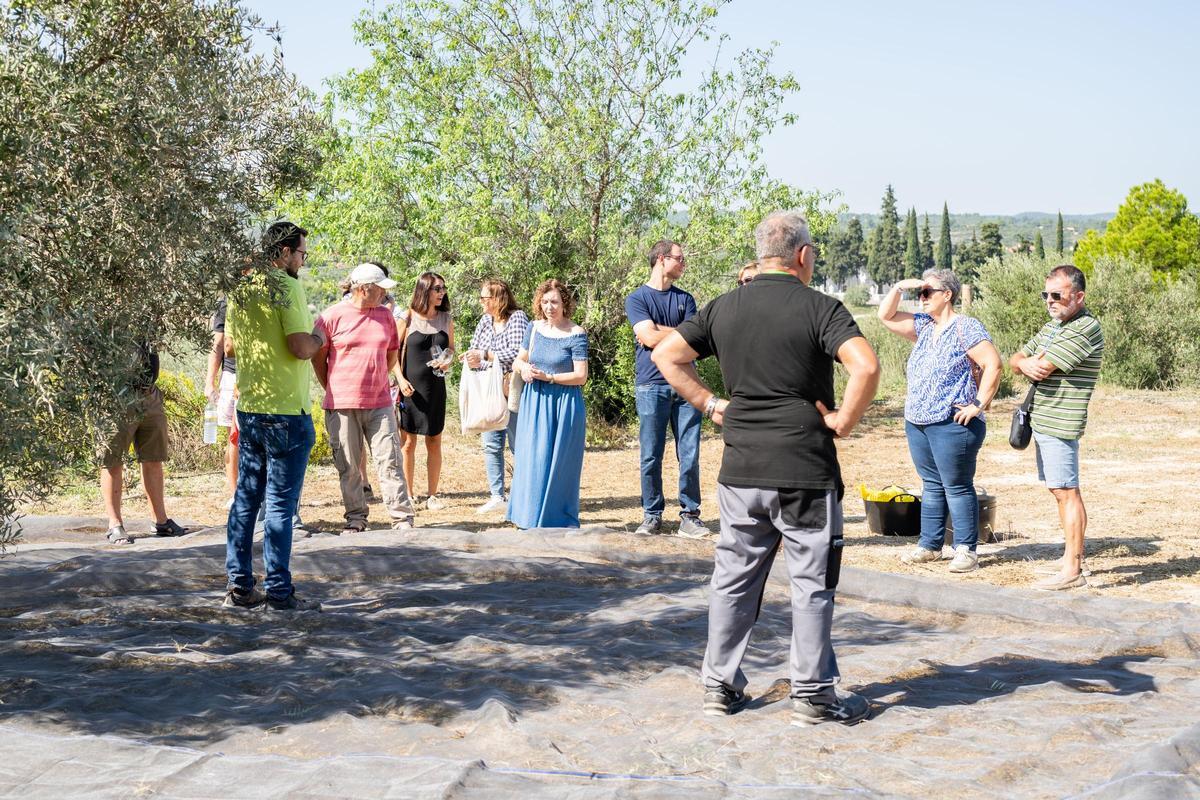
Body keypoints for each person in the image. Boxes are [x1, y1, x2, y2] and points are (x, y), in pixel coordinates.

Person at [652, 210, 880, 726]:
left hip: (741, 470)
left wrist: (710, 404)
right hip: (804, 468)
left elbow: (667, 355)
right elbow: (865, 365)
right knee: (811, 584)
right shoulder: (821, 308)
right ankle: (814, 697)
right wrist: (843, 419)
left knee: (733, 581)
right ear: (802, 255)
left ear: (761, 255)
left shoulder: (722, 308)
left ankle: (719, 686)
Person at [223, 221, 326, 612]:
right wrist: (320, 337)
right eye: (302, 253)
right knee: (281, 505)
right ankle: (280, 593)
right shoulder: (287, 287)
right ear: (283, 252)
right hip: (286, 410)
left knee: (245, 500)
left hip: (250, 408)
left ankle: (239, 587)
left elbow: (229, 347)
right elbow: (300, 347)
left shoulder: (241, 289)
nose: (303, 260)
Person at [877, 270, 1003, 573]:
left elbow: (993, 364)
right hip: (918, 421)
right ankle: (930, 546)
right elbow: (886, 316)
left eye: (927, 292)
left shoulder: (965, 327)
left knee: (957, 486)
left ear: (947, 294)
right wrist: (898, 287)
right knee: (931, 486)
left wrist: (977, 404)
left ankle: (966, 550)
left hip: (952, 422)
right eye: (920, 294)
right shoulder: (923, 326)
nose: (922, 298)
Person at [1009, 264, 1104, 591]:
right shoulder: (1055, 326)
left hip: (1062, 420)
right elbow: (1017, 357)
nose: (1049, 301)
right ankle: (1070, 559)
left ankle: (1072, 571)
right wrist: (1024, 362)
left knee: (1067, 492)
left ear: (1079, 296)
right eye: (1045, 295)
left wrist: (1030, 364)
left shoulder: (1085, 327)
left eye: (1057, 295)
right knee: (1059, 490)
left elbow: (1043, 368)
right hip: (1045, 419)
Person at [314, 263, 416, 534]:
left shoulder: (385, 316)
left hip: (380, 401)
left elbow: (391, 353)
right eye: (380, 288)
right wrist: (333, 387)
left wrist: (379, 378)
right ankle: (356, 519)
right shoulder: (331, 316)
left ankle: (401, 517)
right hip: (342, 404)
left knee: (390, 459)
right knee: (348, 465)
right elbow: (318, 357)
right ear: (363, 288)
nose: (385, 293)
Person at [624, 241, 706, 538]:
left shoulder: (686, 299)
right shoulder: (637, 298)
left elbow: (695, 344)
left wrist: (664, 334)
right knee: (650, 454)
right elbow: (646, 336)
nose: (684, 264)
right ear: (661, 259)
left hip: (686, 386)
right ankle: (652, 515)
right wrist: (679, 336)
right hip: (651, 385)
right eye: (680, 259)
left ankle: (690, 515)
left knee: (690, 453)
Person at [507, 279, 588, 529]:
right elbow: (517, 362)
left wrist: (550, 377)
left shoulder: (576, 333)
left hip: (564, 405)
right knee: (532, 458)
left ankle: (556, 519)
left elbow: (581, 376)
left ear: (565, 303)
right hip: (535, 401)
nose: (549, 307)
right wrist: (525, 369)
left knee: (560, 464)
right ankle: (527, 517)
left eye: (554, 302)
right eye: (544, 302)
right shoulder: (534, 328)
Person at [99, 343, 189, 544]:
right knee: (112, 460)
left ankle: (160, 521)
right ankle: (115, 524)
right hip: (118, 396)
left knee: (154, 458)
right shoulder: (112, 314)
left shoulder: (149, 319)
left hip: (150, 394)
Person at [461, 279, 529, 513]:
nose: (481, 302)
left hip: (511, 387)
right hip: (489, 388)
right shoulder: (484, 321)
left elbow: (518, 352)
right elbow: (475, 347)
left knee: (517, 443)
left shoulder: (517, 318)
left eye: (484, 298)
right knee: (491, 443)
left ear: (498, 299)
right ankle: (496, 495)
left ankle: (521, 494)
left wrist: (486, 355)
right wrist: (473, 356)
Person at [395, 272, 454, 509]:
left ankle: (432, 495)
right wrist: (400, 380)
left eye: (443, 288)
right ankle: (408, 494)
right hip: (410, 389)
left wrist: (447, 360)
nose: (442, 293)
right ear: (424, 290)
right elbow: (392, 354)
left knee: (435, 439)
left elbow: (450, 348)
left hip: (436, 387)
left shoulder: (446, 318)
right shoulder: (407, 317)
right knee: (408, 443)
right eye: (437, 289)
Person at [206, 297, 239, 507]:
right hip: (231, 375)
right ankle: (236, 493)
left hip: (260, 376)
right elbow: (218, 344)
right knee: (234, 437)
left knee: (239, 438)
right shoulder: (226, 302)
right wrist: (210, 381)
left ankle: (246, 493)